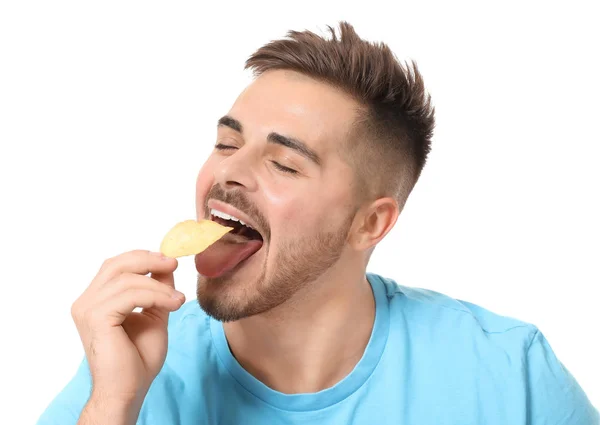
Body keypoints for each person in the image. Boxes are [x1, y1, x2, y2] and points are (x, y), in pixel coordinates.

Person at [37, 22, 598, 425]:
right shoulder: (129, 372)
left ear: (369, 223)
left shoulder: (510, 374)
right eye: (226, 143)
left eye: (283, 163)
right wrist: (113, 406)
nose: (228, 171)